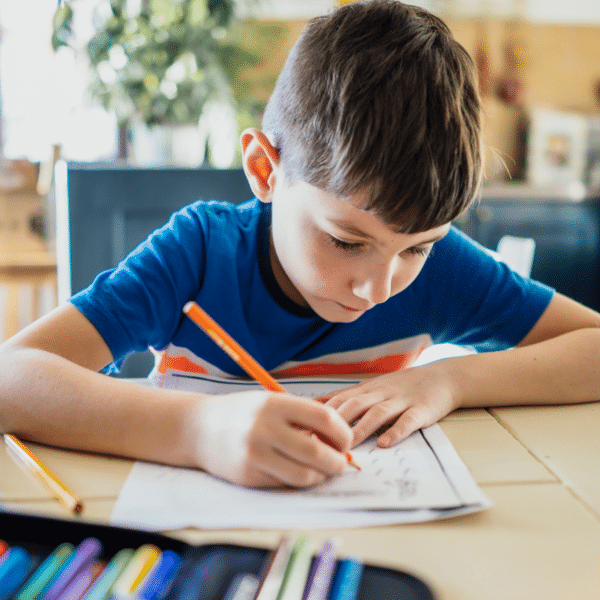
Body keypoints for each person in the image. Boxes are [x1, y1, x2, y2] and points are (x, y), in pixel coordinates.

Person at [1, 0, 599, 490]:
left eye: (415, 248)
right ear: (264, 169)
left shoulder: (441, 268)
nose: (378, 287)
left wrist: (448, 382)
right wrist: (200, 432)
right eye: (345, 241)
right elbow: (11, 378)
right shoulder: (199, 251)